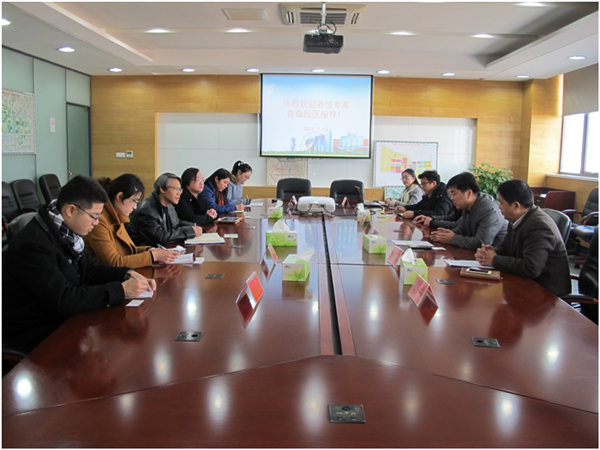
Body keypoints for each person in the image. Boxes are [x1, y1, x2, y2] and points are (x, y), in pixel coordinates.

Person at [3, 175, 156, 354]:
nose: (96, 223)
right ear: (71, 210)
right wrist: (121, 290)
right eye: (94, 216)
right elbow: (64, 299)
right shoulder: (34, 245)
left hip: (65, 322)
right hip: (38, 336)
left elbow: (91, 269)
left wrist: (127, 274)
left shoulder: (66, 233)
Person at [475, 179, 571, 297]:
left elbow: (531, 267)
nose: (499, 207)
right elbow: (506, 246)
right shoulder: (517, 218)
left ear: (516, 206)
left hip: (547, 293)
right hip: (526, 283)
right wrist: (490, 252)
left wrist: (494, 259)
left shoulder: (539, 226)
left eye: (502, 203)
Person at [84, 174, 179, 268]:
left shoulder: (117, 215)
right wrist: (153, 256)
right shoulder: (99, 221)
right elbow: (114, 262)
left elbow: (128, 251)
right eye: (134, 201)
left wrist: (150, 250)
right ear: (119, 196)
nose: (135, 207)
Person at [413, 172, 507, 250]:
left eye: (454, 194)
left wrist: (452, 238)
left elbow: (481, 243)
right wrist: (448, 234)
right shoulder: (469, 206)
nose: (452, 198)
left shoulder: (488, 210)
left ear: (469, 193)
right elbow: (461, 227)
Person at [127, 172, 203, 246]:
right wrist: (190, 231)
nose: (179, 193)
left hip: (163, 249)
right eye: (176, 189)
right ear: (162, 189)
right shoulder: (146, 210)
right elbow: (161, 236)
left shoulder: (169, 205)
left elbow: (176, 224)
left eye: (180, 189)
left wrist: (194, 226)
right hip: (146, 251)